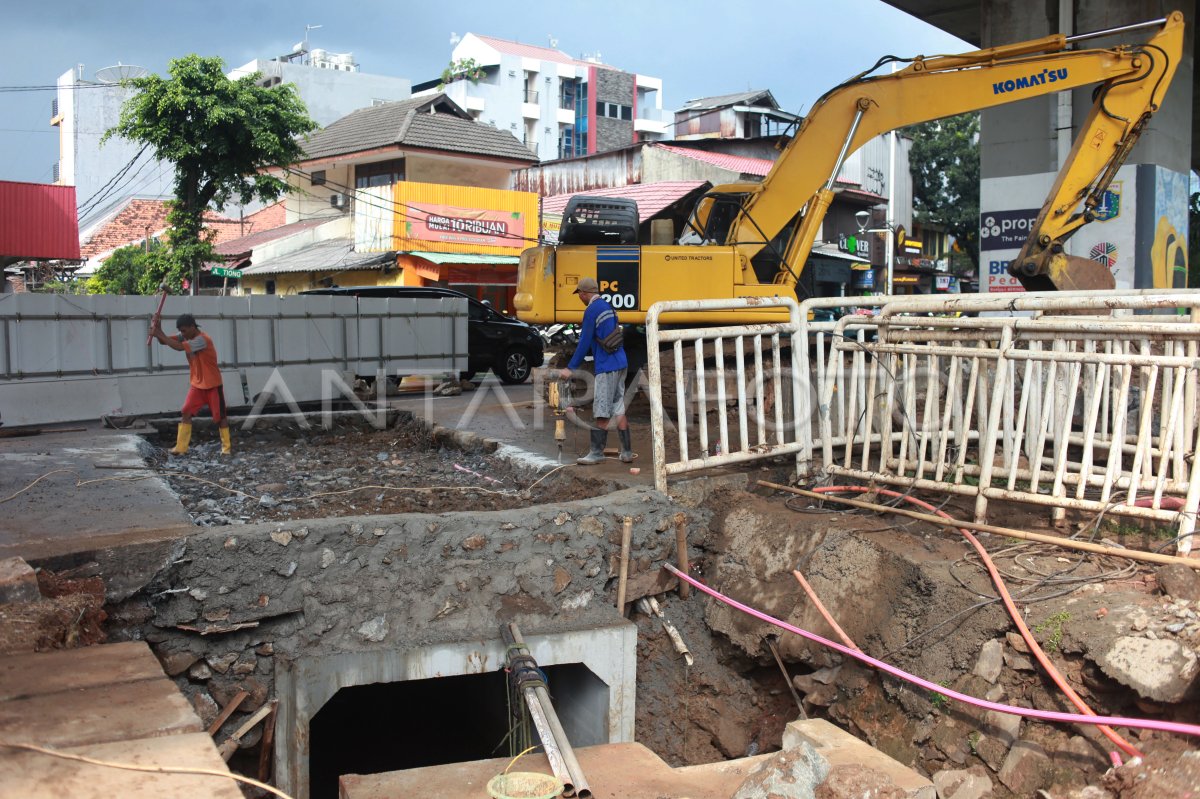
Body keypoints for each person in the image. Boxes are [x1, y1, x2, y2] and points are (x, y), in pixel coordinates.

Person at [559, 277, 635, 465]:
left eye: (580, 295)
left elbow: (584, 342)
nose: (580, 298)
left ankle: (597, 452)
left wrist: (570, 368)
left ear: (584, 293)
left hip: (607, 366)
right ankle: (626, 452)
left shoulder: (591, 310)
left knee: (602, 410)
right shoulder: (608, 307)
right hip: (621, 362)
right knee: (618, 407)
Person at [150, 313, 230, 455]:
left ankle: (226, 449)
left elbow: (178, 347)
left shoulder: (202, 340)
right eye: (181, 331)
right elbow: (165, 341)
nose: (182, 334)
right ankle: (181, 447)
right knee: (186, 411)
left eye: (184, 330)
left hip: (213, 384)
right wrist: (158, 328)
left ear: (193, 327)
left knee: (220, 417)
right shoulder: (186, 336)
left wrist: (158, 333)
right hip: (197, 385)